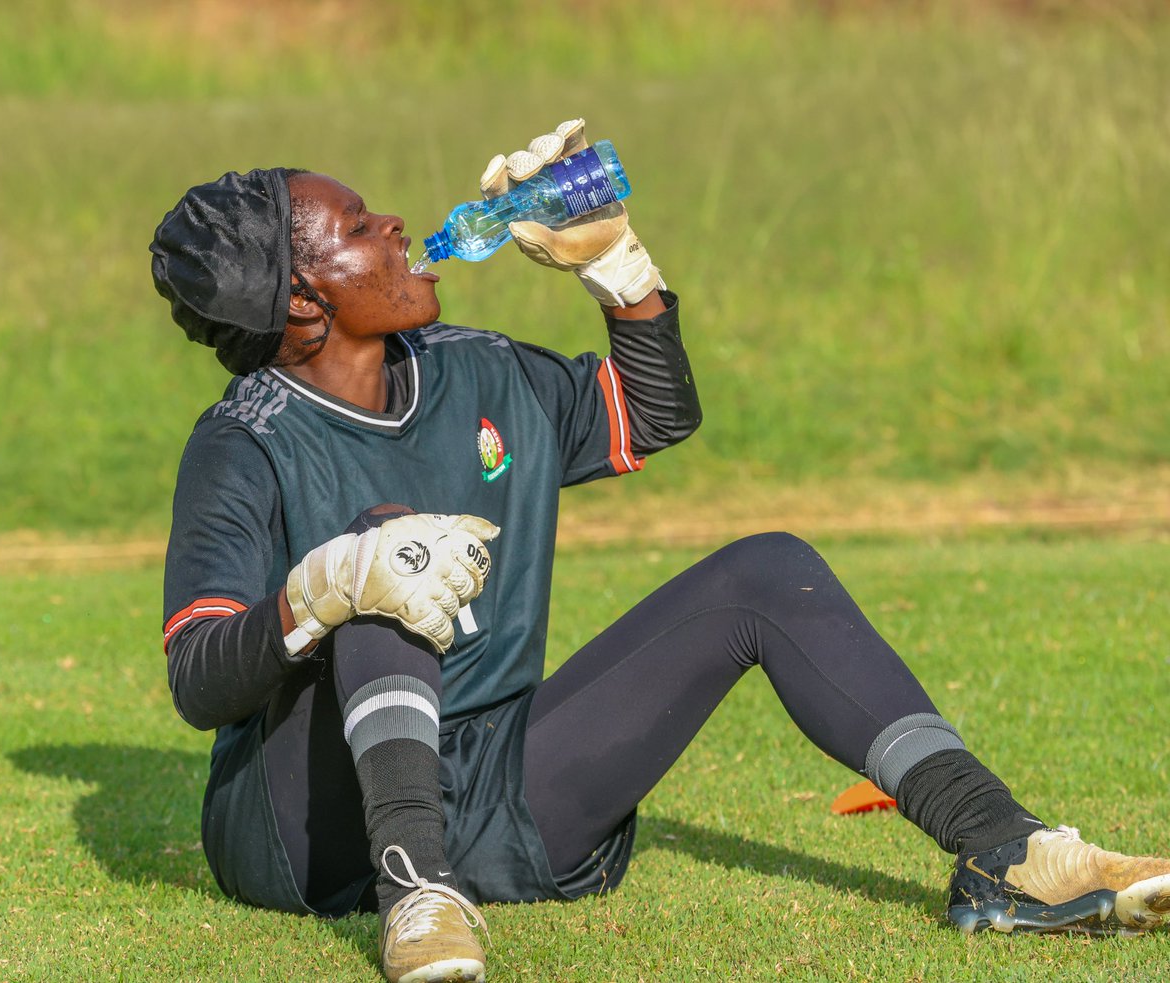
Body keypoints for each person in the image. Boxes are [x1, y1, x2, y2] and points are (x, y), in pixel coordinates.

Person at [151, 121, 1170, 983]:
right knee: (383, 550)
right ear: (299, 298)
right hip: (310, 835)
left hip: (504, 789)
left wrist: (620, 275)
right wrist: (322, 588)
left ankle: (1006, 850)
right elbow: (200, 678)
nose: (396, 228)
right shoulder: (244, 441)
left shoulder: (479, 368)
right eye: (361, 227)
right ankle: (416, 891)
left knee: (767, 568)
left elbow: (652, 413)